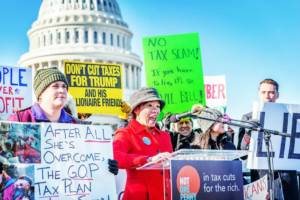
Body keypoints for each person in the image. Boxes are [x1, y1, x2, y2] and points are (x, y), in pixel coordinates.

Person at [7, 67, 118, 174]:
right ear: (41, 93)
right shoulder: (19, 119)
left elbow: (88, 161)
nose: (62, 90)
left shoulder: (78, 126)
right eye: (55, 86)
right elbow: (8, 158)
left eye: (64, 86)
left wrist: (105, 167)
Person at [238, 78, 299, 200]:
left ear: (277, 95)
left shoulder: (291, 115)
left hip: (287, 176)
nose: (267, 96)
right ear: (258, 93)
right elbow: (243, 153)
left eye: (271, 92)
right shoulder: (248, 117)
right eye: (263, 92)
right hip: (261, 177)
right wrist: (249, 133)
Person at [113, 87, 173, 200]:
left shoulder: (165, 136)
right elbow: (116, 157)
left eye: (158, 106)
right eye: (149, 106)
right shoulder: (125, 133)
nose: (155, 110)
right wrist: (148, 160)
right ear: (136, 110)